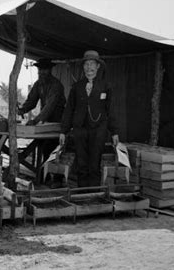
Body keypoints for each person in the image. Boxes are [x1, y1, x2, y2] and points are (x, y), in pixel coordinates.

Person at [60, 50, 119, 187]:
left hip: (99, 130)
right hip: (80, 129)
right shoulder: (77, 86)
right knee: (81, 162)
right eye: (86, 64)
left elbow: (111, 110)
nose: (89, 68)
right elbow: (69, 109)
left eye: (92, 64)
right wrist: (64, 131)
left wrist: (115, 132)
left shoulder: (106, 86)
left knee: (94, 162)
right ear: (83, 67)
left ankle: (93, 193)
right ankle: (81, 194)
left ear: (98, 66)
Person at [18, 59, 66, 185]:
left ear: (50, 70)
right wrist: (22, 109)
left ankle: (56, 179)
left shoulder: (56, 85)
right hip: (46, 121)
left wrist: (36, 120)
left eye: (44, 69)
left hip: (58, 121)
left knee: (54, 150)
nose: (41, 72)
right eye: (40, 70)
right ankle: (44, 177)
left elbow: (49, 106)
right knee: (43, 148)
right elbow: (31, 101)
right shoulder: (38, 84)